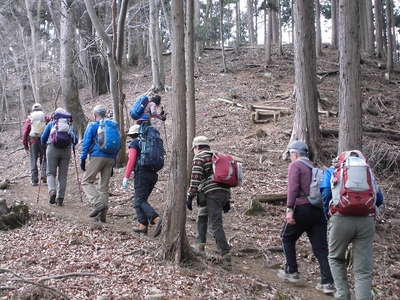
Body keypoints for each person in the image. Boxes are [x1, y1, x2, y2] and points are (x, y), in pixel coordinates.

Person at [322, 150, 384, 300]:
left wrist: (328, 215)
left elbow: (324, 194)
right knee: (363, 270)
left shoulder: (333, 171)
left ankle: (343, 295)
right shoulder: (368, 173)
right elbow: (379, 198)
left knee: (336, 258)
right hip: (366, 221)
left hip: (340, 219)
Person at [278, 140, 335, 295]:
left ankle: (292, 271)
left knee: (286, 237)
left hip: (302, 208)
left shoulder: (295, 166)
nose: (290, 157)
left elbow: (293, 188)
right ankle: (328, 282)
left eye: (290, 154)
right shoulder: (315, 167)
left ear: (295, 154)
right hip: (318, 211)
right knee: (321, 248)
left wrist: (289, 209)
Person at [186, 136, 232, 263]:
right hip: (220, 193)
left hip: (212, 193)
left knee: (215, 224)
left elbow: (195, 178)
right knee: (202, 216)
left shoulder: (199, 157)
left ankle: (225, 255)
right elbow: (225, 179)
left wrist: (190, 196)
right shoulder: (217, 156)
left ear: (197, 147)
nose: (194, 151)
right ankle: (200, 245)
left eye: (194, 148)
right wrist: (227, 199)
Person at [80, 104, 120, 223]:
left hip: (98, 156)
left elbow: (86, 142)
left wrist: (83, 158)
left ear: (95, 114)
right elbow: (118, 143)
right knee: (104, 186)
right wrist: (113, 161)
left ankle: (97, 203)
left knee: (86, 181)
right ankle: (102, 216)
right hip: (111, 158)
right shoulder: (112, 126)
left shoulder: (92, 125)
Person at [122, 124, 162, 236]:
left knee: (139, 201)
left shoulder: (135, 143)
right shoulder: (150, 142)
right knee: (140, 200)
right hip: (153, 174)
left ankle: (157, 219)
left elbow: (131, 160)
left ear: (132, 135)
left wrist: (126, 176)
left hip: (142, 174)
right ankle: (143, 226)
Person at [41, 108, 78, 206]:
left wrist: (45, 146)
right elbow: (76, 140)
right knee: (63, 175)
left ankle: (52, 191)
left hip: (52, 149)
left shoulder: (51, 124)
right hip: (66, 150)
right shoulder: (69, 125)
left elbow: (43, 138)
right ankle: (60, 198)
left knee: (50, 173)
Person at [22, 103, 50, 186]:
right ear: (41, 109)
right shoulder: (45, 117)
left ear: (32, 109)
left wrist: (25, 145)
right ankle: (44, 175)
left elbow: (25, 132)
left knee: (33, 160)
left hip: (33, 141)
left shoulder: (29, 118)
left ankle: (34, 180)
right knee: (45, 158)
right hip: (43, 140)